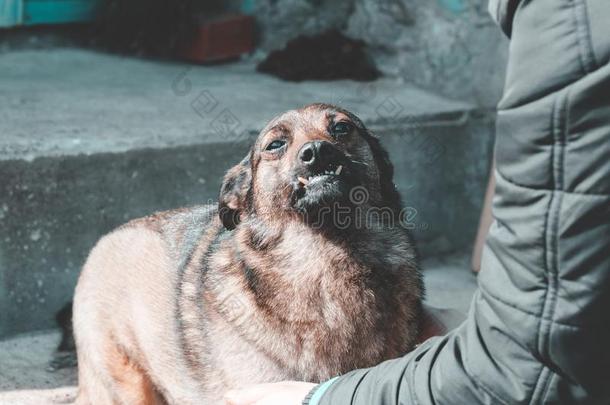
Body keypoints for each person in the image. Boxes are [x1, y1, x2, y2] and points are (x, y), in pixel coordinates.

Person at [224, 0, 610, 403]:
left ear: (380, 169)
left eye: (339, 130)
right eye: (277, 146)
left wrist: (318, 399)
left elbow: (521, 364)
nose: (314, 148)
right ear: (239, 199)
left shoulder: (566, 31)